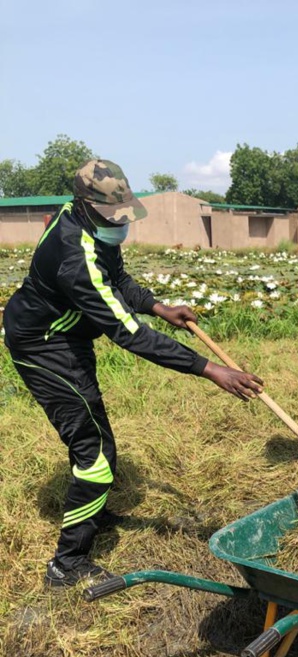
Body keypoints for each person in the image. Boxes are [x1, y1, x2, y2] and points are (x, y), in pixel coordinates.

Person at [3, 159, 263, 588]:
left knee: (93, 434)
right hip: (44, 347)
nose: (119, 223)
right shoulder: (74, 256)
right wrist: (209, 369)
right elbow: (132, 335)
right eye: (112, 216)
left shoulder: (87, 224)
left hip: (67, 338)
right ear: (86, 206)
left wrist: (160, 307)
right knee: (95, 453)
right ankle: (67, 564)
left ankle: (91, 509)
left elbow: (118, 279)